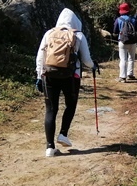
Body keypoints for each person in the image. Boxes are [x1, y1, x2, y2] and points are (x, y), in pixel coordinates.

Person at [35, 8, 96, 157]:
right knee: (70, 104)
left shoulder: (49, 33)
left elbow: (40, 57)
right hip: (71, 77)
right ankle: (63, 134)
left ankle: (50, 147)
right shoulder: (78, 35)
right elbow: (87, 61)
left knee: (51, 109)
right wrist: (94, 66)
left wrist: (38, 75)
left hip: (48, 75)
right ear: (75, 21)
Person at [113, 1, 137, 82]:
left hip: (122, 41)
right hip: (133, 41)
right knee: (131, 58)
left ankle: (122, 77)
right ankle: (130, 74)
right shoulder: (133, 19)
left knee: (123, 59)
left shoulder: (118, 19)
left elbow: (115, 31)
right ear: (128, 10)